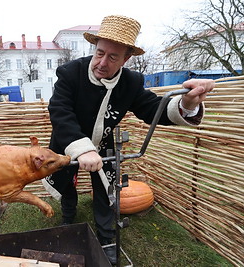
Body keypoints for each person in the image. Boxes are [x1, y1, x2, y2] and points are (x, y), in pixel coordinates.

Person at [42, 15, 215, 265]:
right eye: (100, 53)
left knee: (106, 190)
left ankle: (107, 237)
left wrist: (186, 103)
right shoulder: (70, 72)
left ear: (126, 59)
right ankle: (68, 218)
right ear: (95, 47)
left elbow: (152, 109)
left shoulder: (131, 82)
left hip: (103, 146)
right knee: (66, 181)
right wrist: (81, 149)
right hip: (69, 141)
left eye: (113, 57)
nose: (102, 62)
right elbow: (60, 110)